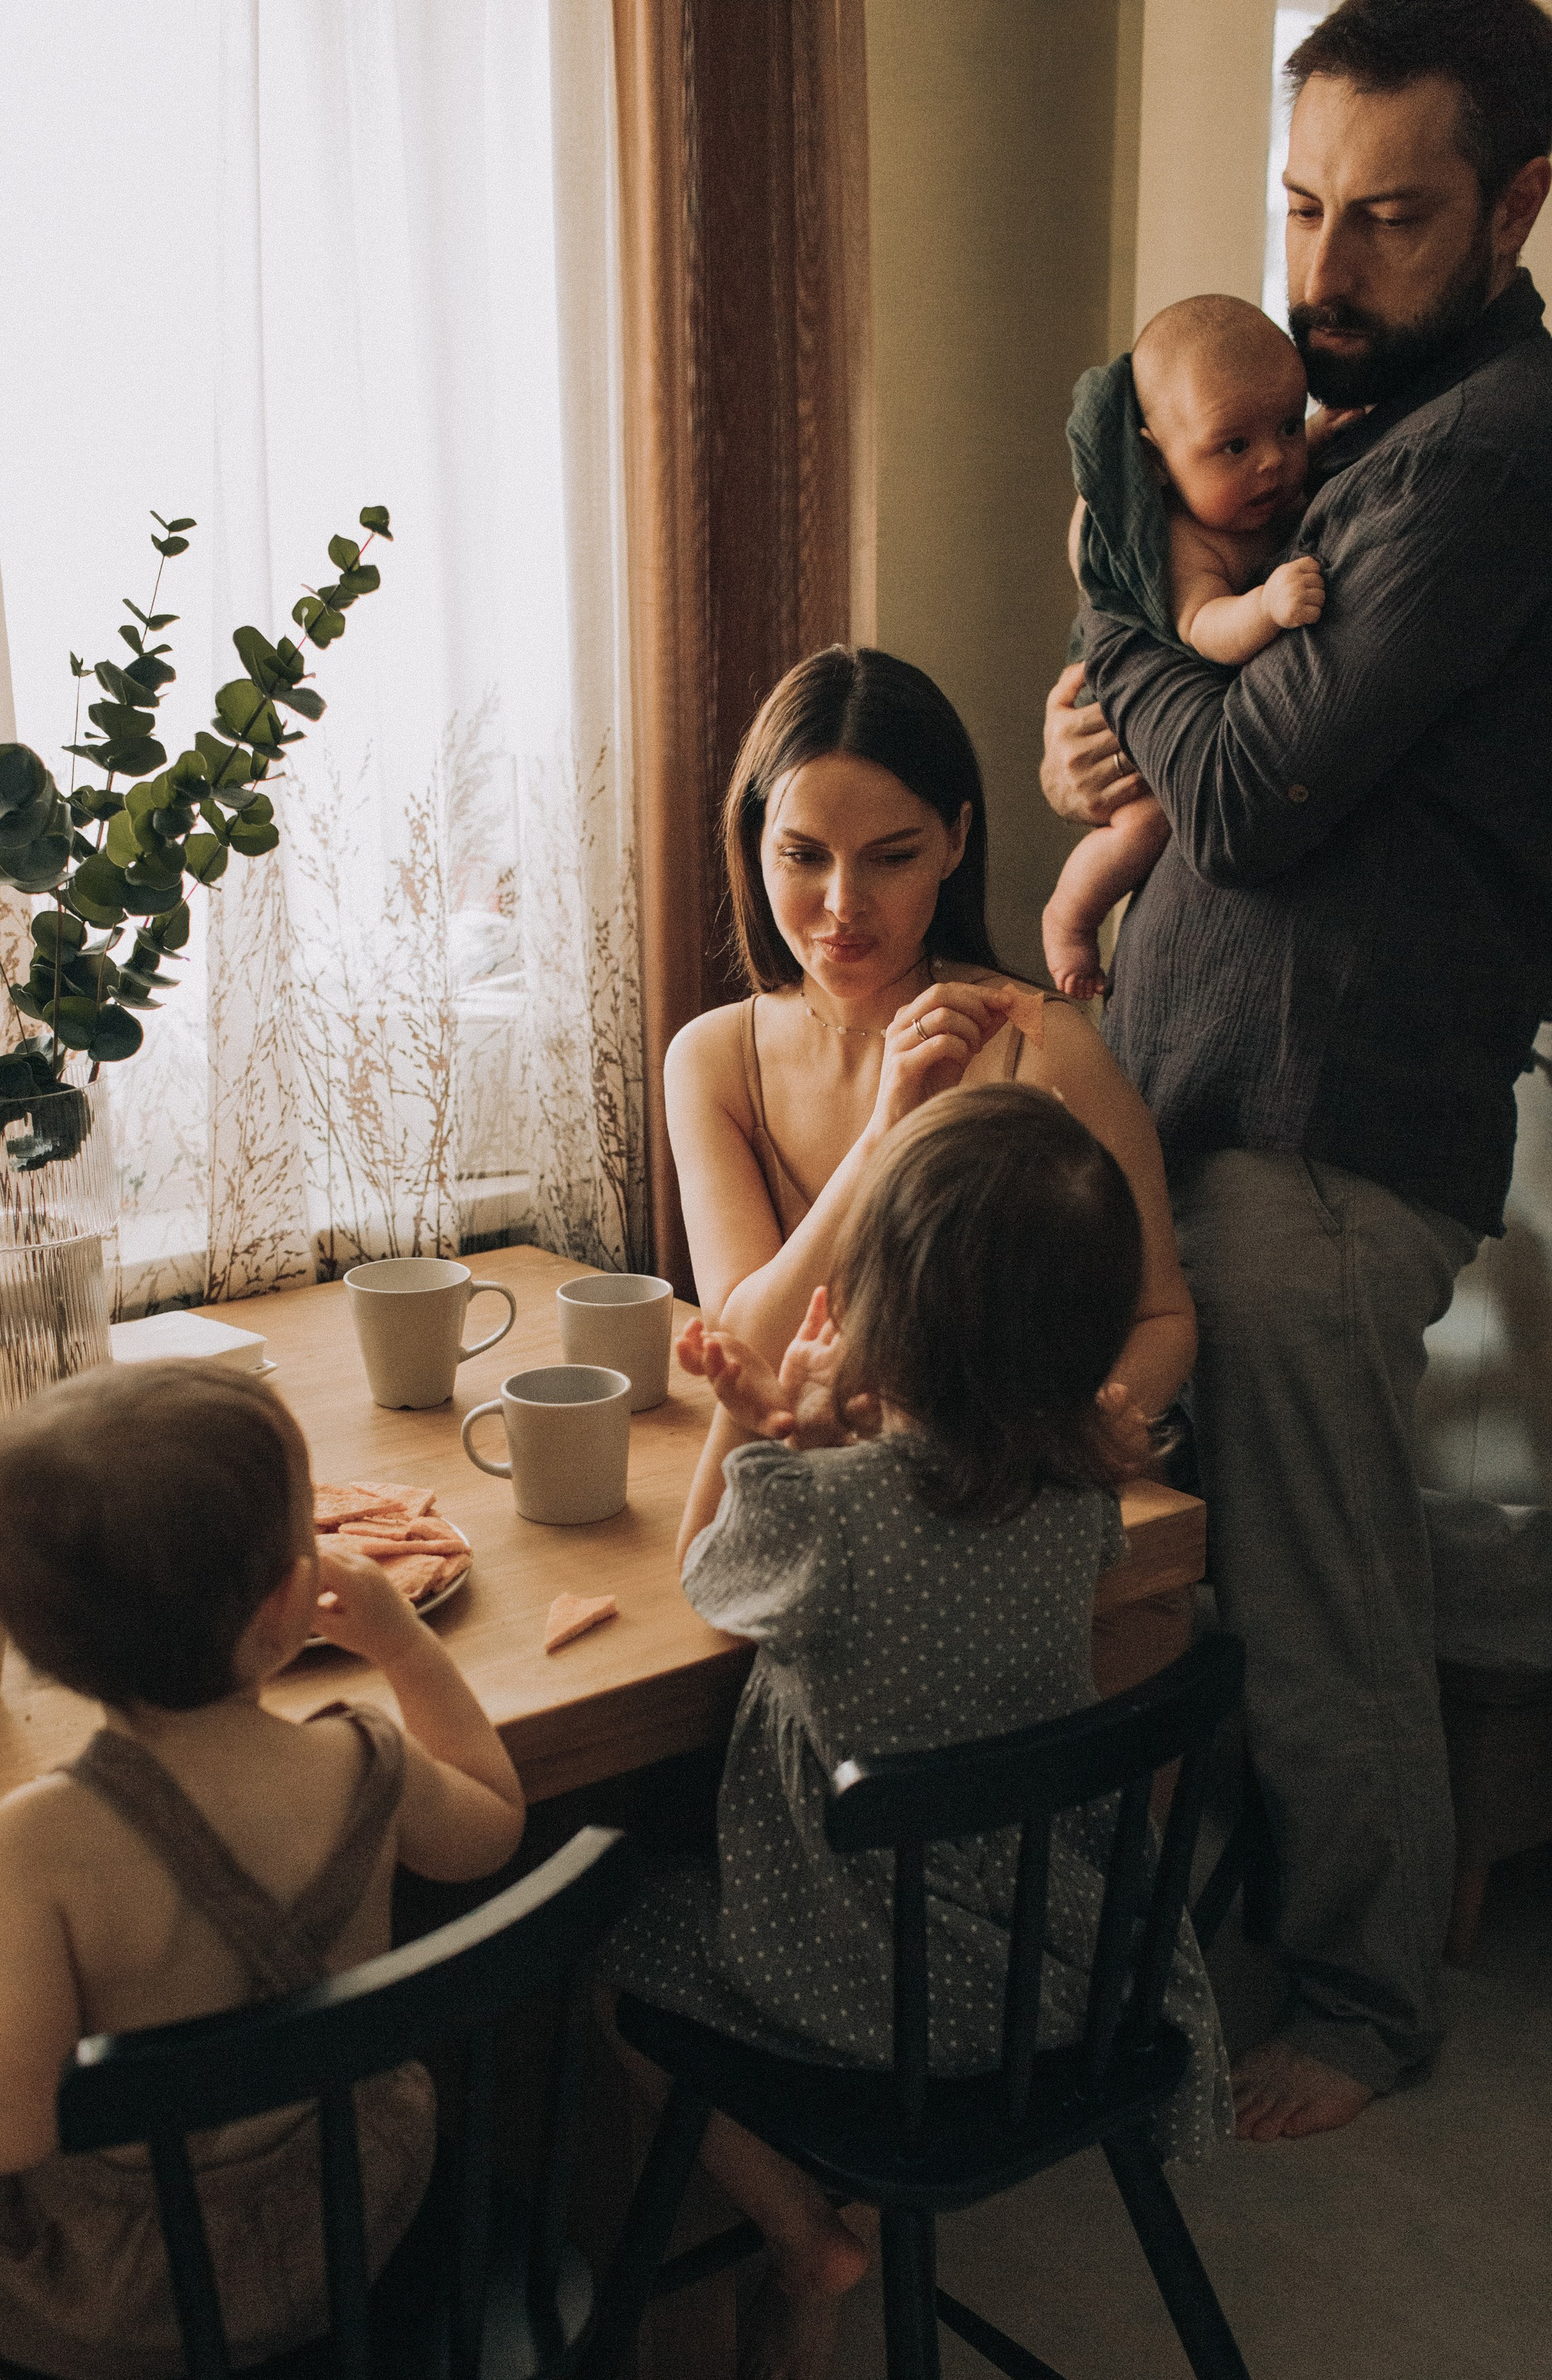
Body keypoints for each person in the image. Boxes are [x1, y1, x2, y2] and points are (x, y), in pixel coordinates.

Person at [1038, 0, 1552, 2141]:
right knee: (1142, 1530)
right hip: (1191, 1098)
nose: (1324, 270)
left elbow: (1247, 794)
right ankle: (1126, 1923)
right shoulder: (1320, 431)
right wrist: (1117, 717)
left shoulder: (1492, 446)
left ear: (1518, 207)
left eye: (1393, 218)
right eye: (1301, 206)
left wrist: (1124, 670)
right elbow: (1191, 731)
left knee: (1319, 1570)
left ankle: (1358, 1997)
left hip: (1335, 1136)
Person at [605, 1086, 1232, 2380]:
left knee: (587, 1957)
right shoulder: (1077, 1498)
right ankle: (807, 2237)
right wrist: (826, 1432)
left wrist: (751, 1428)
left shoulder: (826, 1511)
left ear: (872, 1307)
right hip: (1044, 1976)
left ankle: (799, 2229)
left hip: (862, 1997)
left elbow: (703, 1577)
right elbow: (955, 1508)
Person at [0, 1360, 523, 2380]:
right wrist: (396, 1643)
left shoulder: (42, 1843)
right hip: (371, 2218)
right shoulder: (361, 1763)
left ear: (31, 1647)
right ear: (289, 1599)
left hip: (147, 2304)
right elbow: (490, 1816)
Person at [664, 646, 1197, 1486]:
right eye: (803, 856)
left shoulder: (1041, 1042)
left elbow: (1161, 1315)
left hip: (1007, 1501)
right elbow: (746, 1349)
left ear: (954, 841)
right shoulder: (713, 1059)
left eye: (892, 856)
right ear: (755, 841)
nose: (843, 905)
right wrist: (886, 1131)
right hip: (806, 1500)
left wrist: (1081, 1433)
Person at [1043, 298, 1330, 1000]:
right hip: (1119, 719)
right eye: (1234, 446)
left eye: (1288, 426)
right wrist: (1263, 607)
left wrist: (1325, 433)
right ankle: (1070, 918)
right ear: (1157, 461)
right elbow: (1205, 628)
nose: (1272, 463)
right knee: (1144, 826)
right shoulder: (1187, 541)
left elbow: (1280, 448)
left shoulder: (1250, 486)